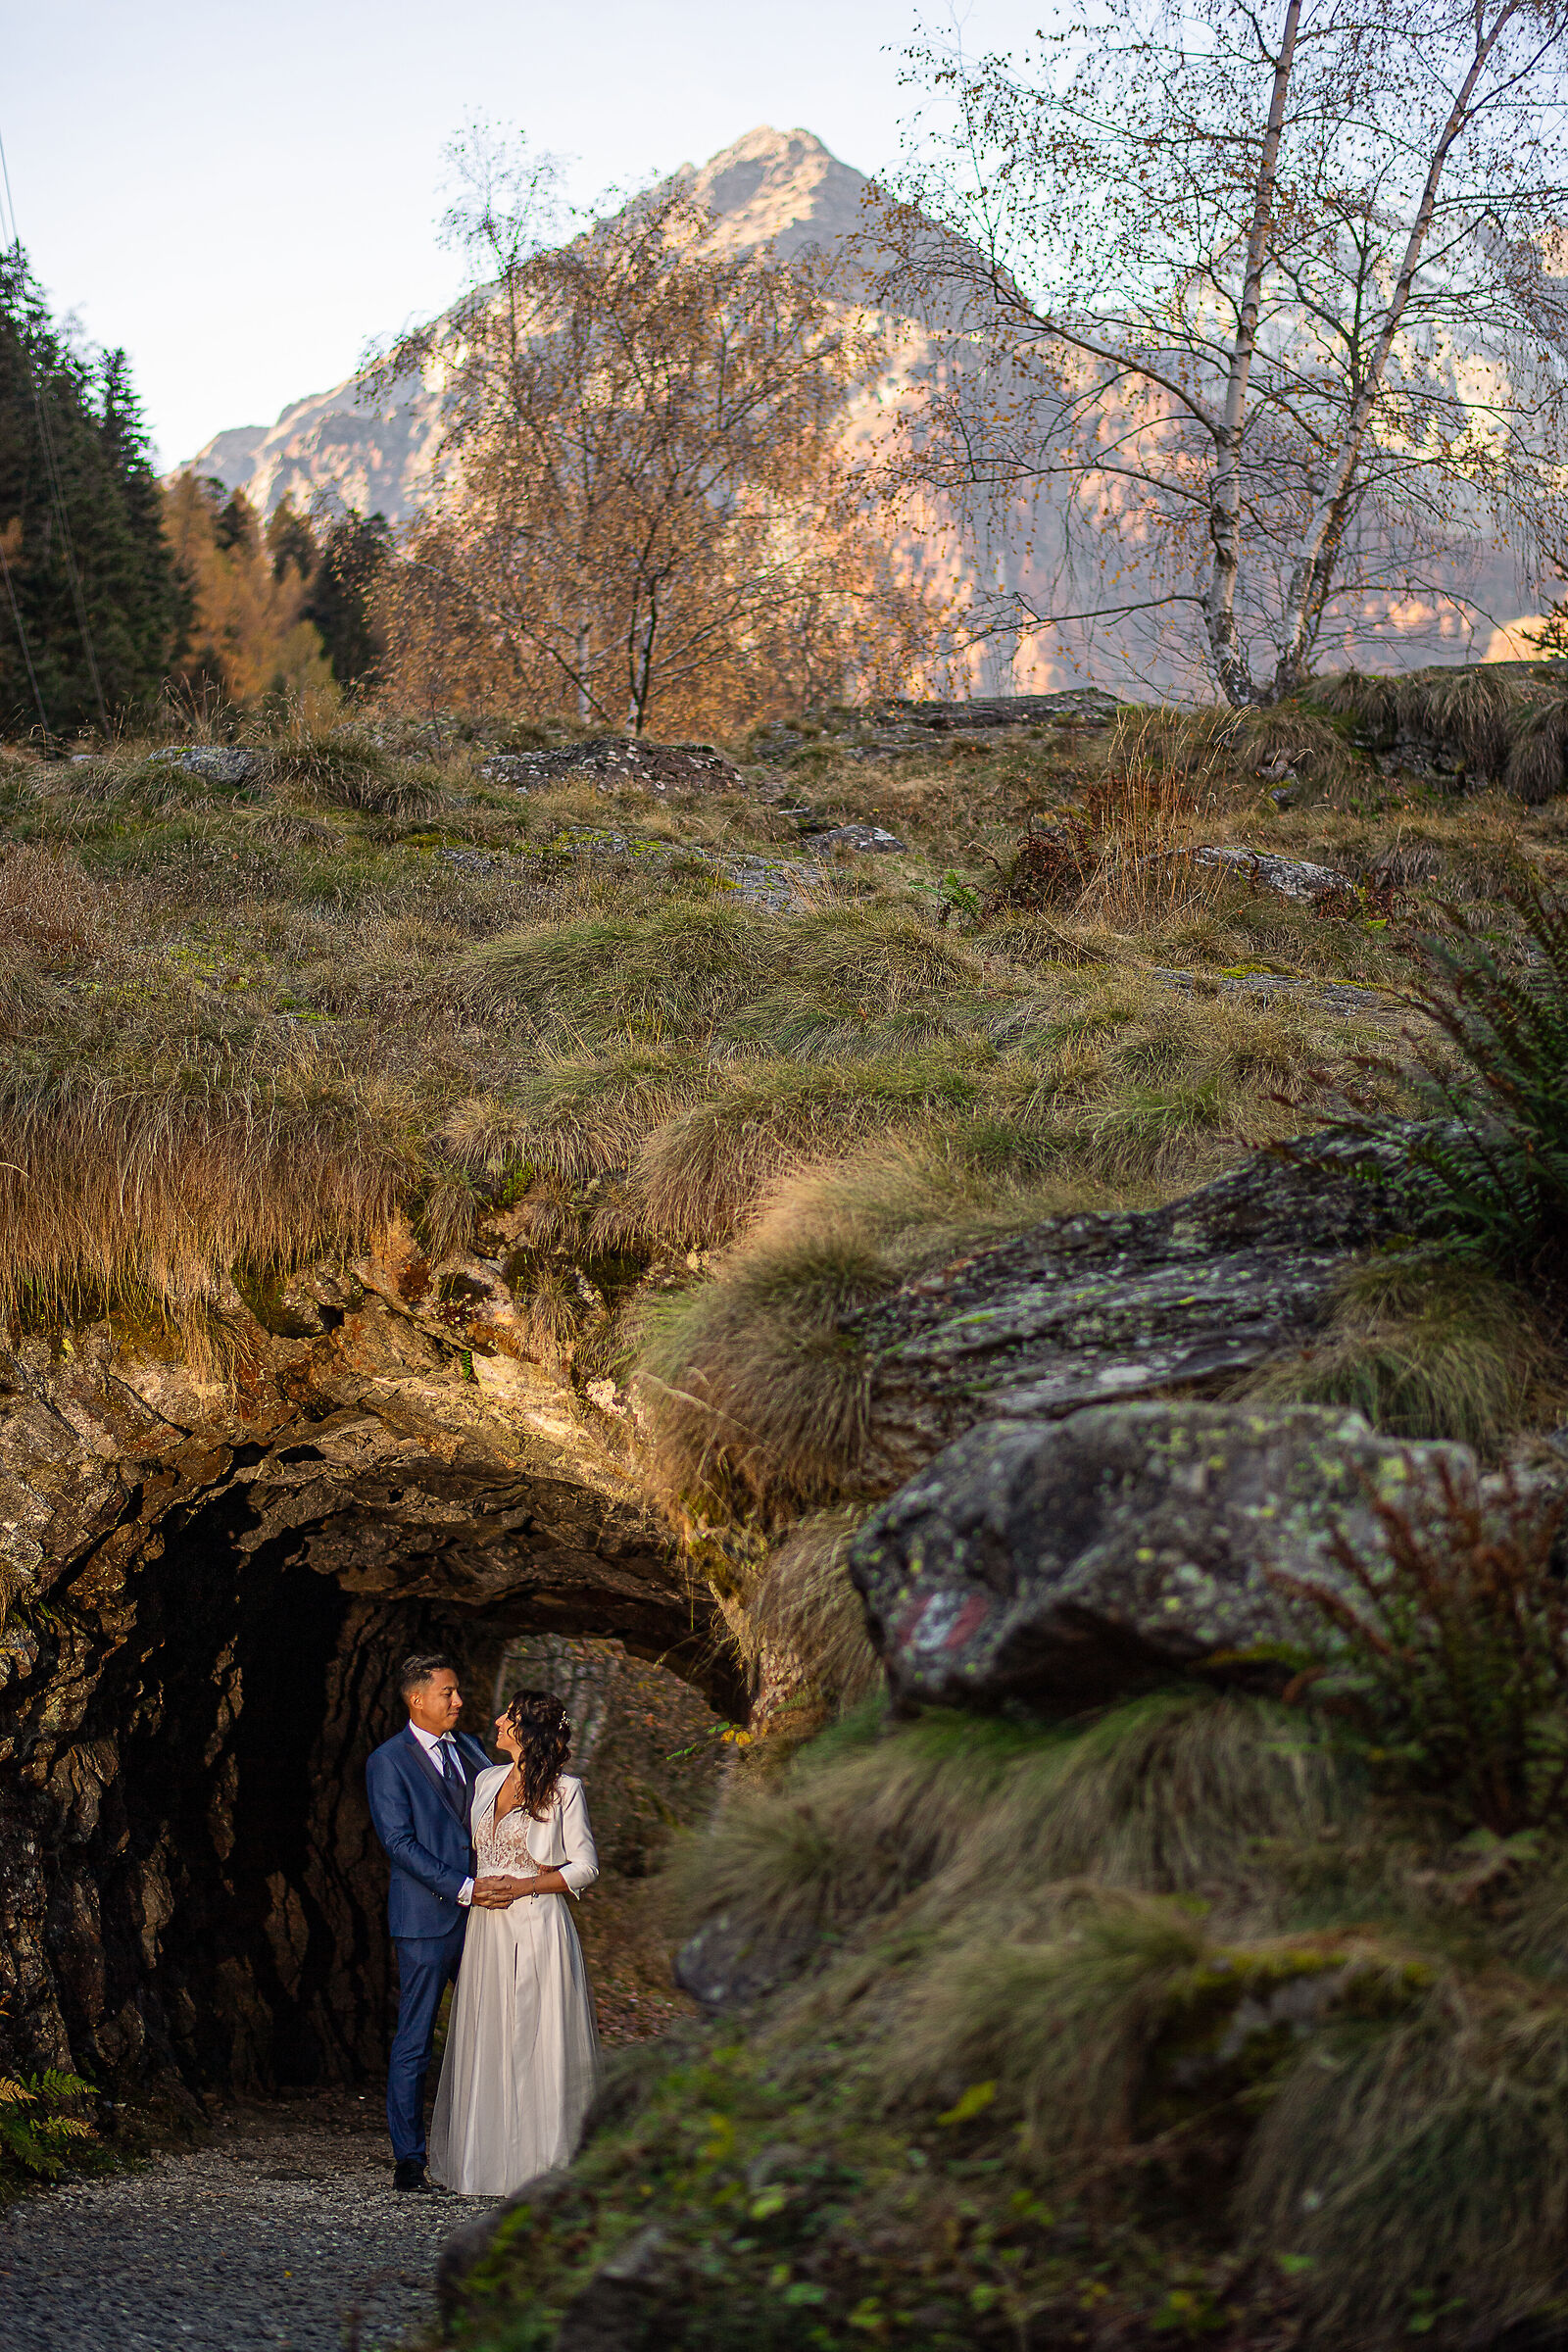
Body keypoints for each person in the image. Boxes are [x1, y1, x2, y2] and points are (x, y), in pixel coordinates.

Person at [428, 1689, 601, 2195]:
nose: (497, 1720)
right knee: (490, 2033)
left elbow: (586, 1867)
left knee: (535, 2034)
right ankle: (486, 2164)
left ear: (526, 1730)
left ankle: (541, 2166)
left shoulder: (566, 1790)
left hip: (538, 1922)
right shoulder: (486, 1780)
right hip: (487, 1927)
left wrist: (528, 1882)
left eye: (509, 1715)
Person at [365, 1654, 525, 2192]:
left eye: (458, 1692)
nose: (459, 1702)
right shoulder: (388, 1762)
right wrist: (463, 1888)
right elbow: (398, 1843)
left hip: (488, 1919)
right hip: (426, 1920)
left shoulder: (475, 1750)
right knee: (415, 2041)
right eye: (448, 1693)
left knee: (495, 2032)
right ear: (417, 1699)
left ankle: (499, 2151)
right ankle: (409, 2159)